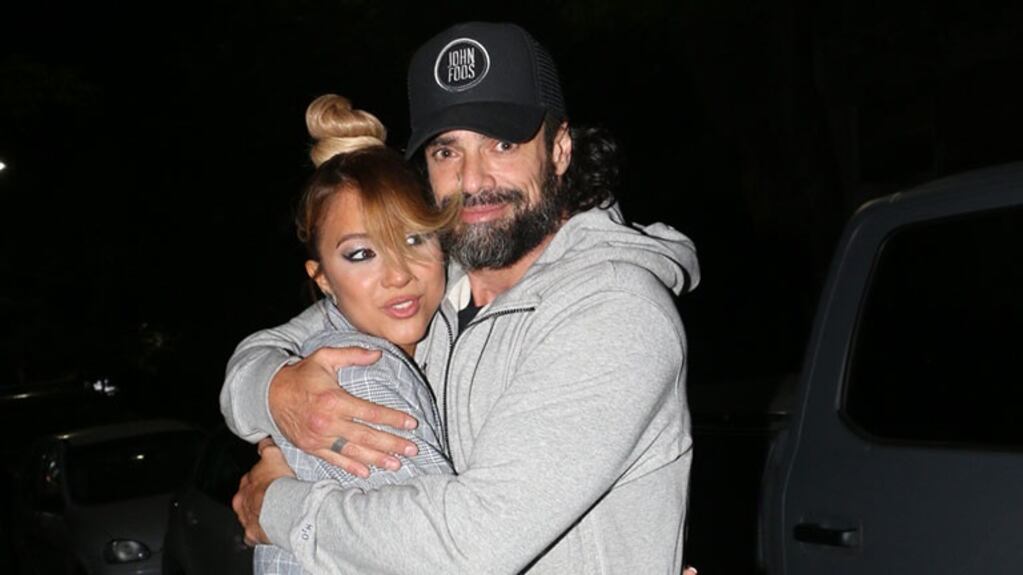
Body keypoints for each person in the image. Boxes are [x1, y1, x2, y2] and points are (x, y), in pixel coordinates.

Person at [226, 21, 700, 573]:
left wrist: (278, 509)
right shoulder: (432, 278)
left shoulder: (615, 308)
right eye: (447, 151)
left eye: (503, 144)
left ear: (560, 149)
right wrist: (276, 391)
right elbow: (263, 352)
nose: (473, 181)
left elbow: (471, 546)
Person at [251, 94, 456, 574]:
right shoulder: (361, 374)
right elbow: (442, 553)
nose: (399, 274)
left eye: (413, 238)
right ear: (322, 279)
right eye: (362, 254)